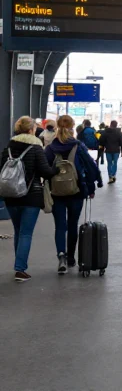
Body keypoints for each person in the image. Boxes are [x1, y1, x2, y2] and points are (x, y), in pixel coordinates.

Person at [1, 116, 57, 281]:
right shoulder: (35, 148)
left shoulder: (8, 148)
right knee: (26, 233)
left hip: (11, 196)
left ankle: (19, 266)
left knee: (18, 231)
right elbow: (45, 172)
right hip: (31, 196)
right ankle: (20, 269)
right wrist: (56, 169)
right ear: (32, 130)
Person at [45, 115, 103, 273]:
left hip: (56, 193)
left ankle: (61, 256)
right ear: (72, 128)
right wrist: (94, 185)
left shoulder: (50, 148)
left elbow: (44, 169)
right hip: (76, 191)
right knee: (72, 225)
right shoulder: (78, 146)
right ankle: (71, 258)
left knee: (60, 227)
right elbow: (91, 166)